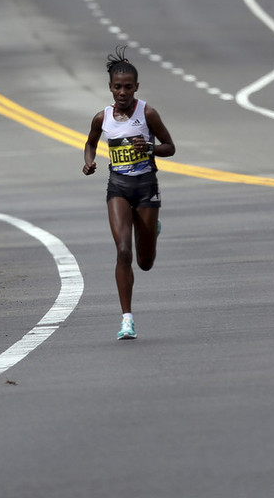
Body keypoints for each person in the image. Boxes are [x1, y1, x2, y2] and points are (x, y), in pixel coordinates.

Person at [83, 47, 175, 340]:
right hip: (119, 188)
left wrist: (149, 148)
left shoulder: (147, 113)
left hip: (146, 187)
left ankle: (150, 228)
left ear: (136, 87)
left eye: (128, 87)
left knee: (145, 262)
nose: (122, 92)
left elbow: (170, 147)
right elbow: (90, 143)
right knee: (123, 251)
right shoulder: (102, 118)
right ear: (110, 88)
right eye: (117, 87)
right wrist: (89, 162)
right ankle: (127, 319)